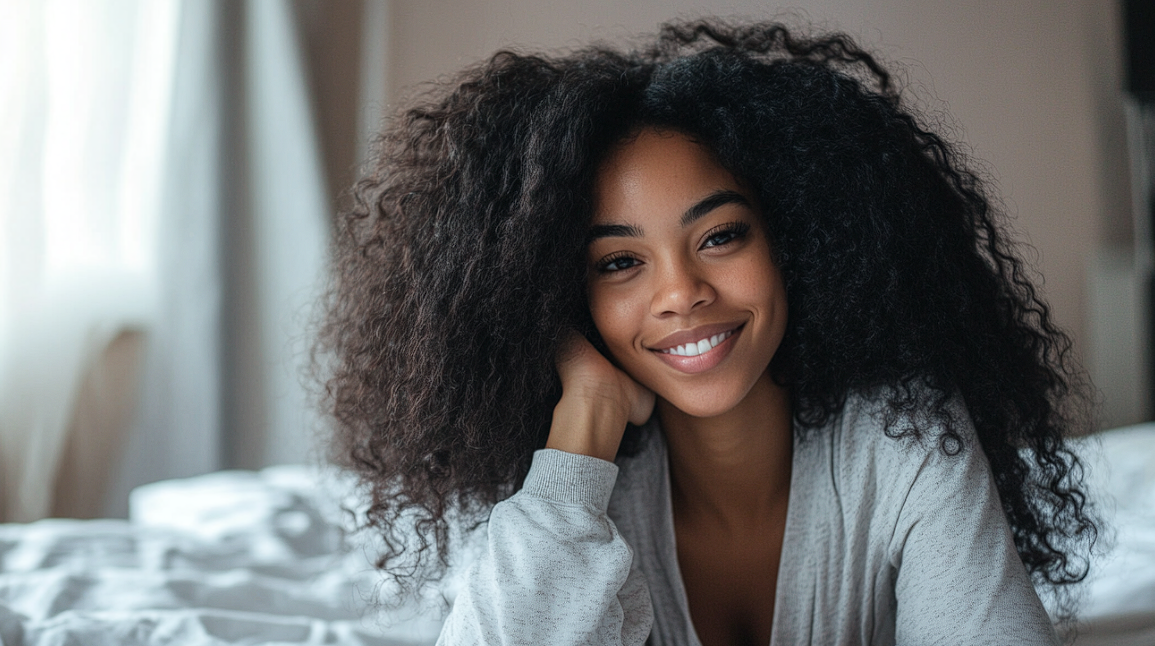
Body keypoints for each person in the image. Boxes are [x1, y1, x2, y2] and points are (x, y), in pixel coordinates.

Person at [318, 18, 1097, 646]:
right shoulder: (560, 488)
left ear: (797, 237)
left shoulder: (903, 440)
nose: (681, 292)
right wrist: (581, 428)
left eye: (720, 236)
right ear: (556, 294)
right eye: (620, 262)